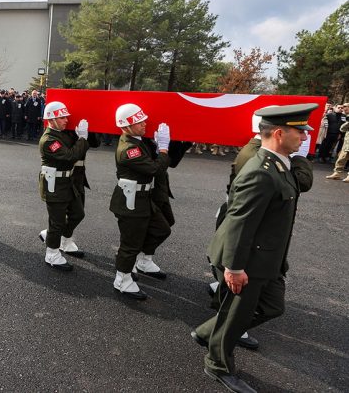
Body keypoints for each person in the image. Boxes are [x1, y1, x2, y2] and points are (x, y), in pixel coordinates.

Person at [191, 104, 314, 393]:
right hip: (246, 259)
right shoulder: (261, 171)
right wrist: (234, 268)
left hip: (266, 258)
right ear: (280, 133)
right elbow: (239, 223)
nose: (305, 137)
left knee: (272, 307)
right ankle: (218, 364)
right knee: (237, 315)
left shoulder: (281, 164)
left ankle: (208, 332)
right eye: (300, 131)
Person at [109, 103, 171, 300]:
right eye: (138, 121)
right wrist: (163, 148)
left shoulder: (138, 141)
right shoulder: (129, 149)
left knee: (162, 229)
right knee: (130, 244)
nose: (144, 123)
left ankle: (141, 262)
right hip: (131, 201)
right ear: (126, 126)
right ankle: (122, 279)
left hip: (143, 198)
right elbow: (154, 169)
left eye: (143, 119)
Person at [37, 101, 89, 271]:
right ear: (51, 119)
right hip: (54, 185)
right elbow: (70, 156)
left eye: (66, 116)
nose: (66, 120)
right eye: (62, 117)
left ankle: (57, 238)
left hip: (67, 182)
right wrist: (82, 138)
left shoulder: (62, 134)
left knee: (78, 214)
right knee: (57, 222)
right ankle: (52, 253)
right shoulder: (49, 140)